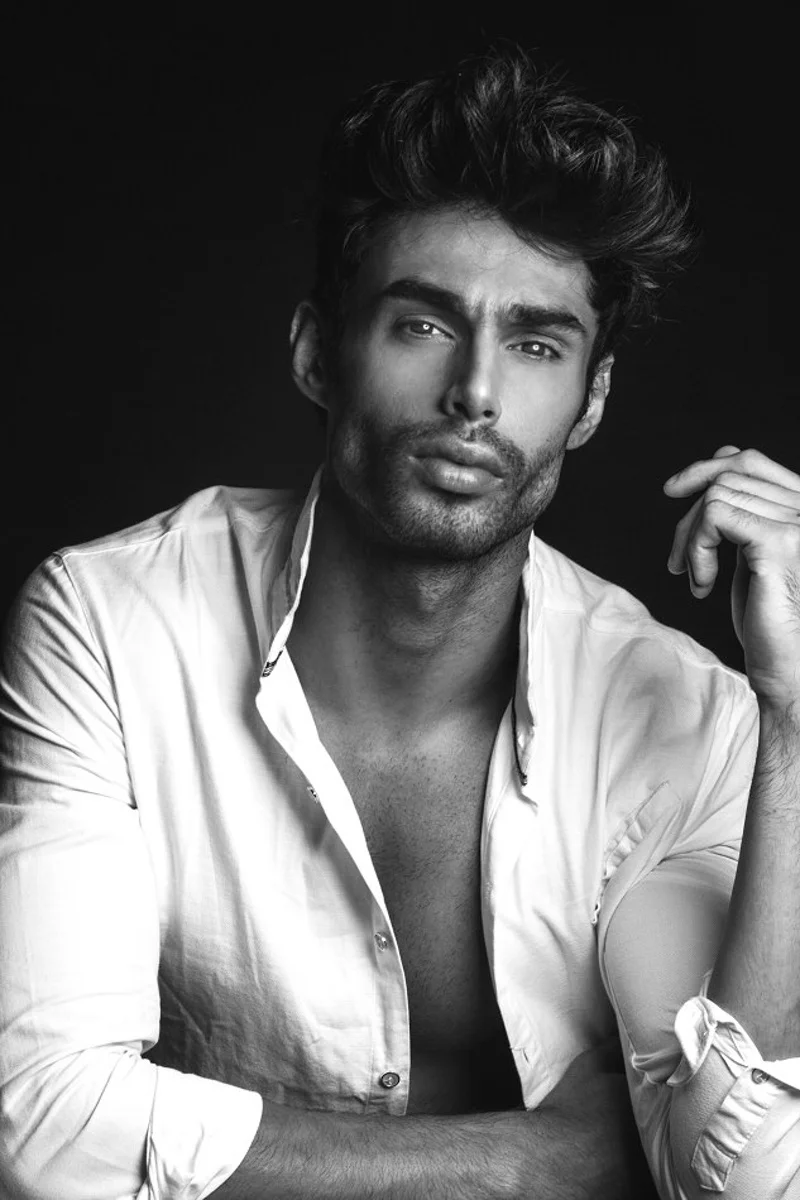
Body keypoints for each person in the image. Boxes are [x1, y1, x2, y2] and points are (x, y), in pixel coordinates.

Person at [0, 44, 798, 1200]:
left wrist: (794, 721)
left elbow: (739, 1177)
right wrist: (531, 1163)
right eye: (422, 325)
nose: (474, 392)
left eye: (535, 344)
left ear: (589, 401)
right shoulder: (111, 626)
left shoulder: (687, 721)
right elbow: (39, 1126)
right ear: (316, 351)